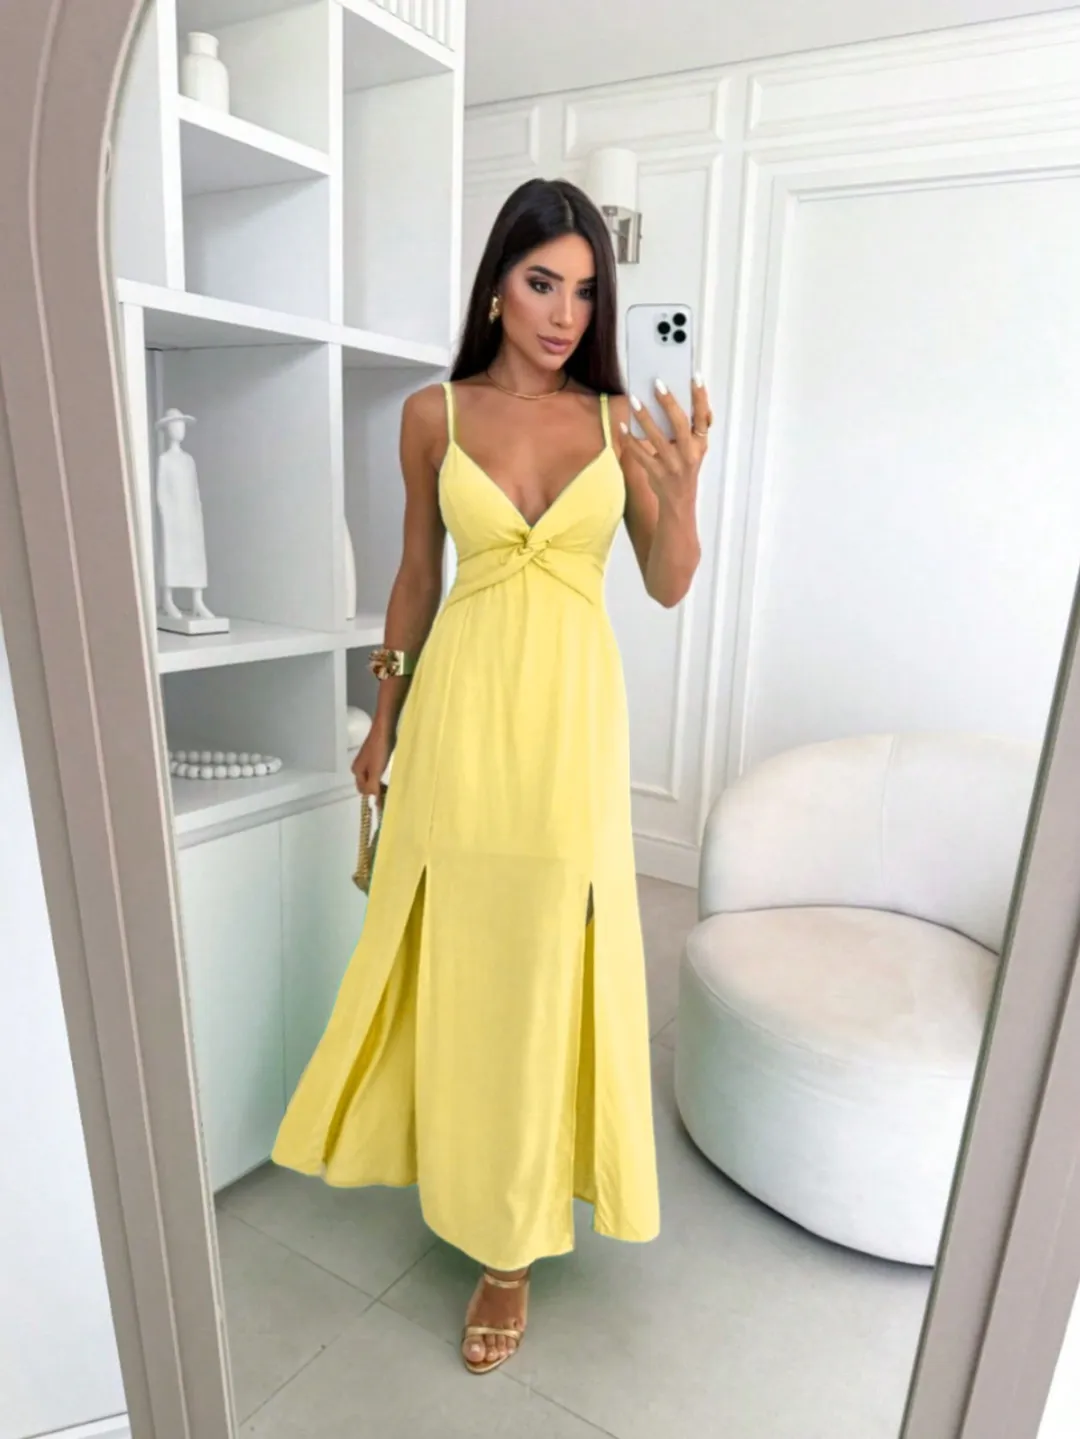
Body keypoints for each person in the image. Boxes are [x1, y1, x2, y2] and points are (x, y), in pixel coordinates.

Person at [272, 177, 710, 1375]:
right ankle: (454, 1162)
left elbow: (668, 581)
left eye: (586, 290)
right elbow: (416, 574)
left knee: (544, 963)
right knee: (458, 953)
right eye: (541, 282)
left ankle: (511, 1247)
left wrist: (682, 490)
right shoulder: (433, 416)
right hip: (458, 714)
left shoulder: (619, 420)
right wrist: (384, 716)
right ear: (495, 288)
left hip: (569, 725)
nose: (565, 313)